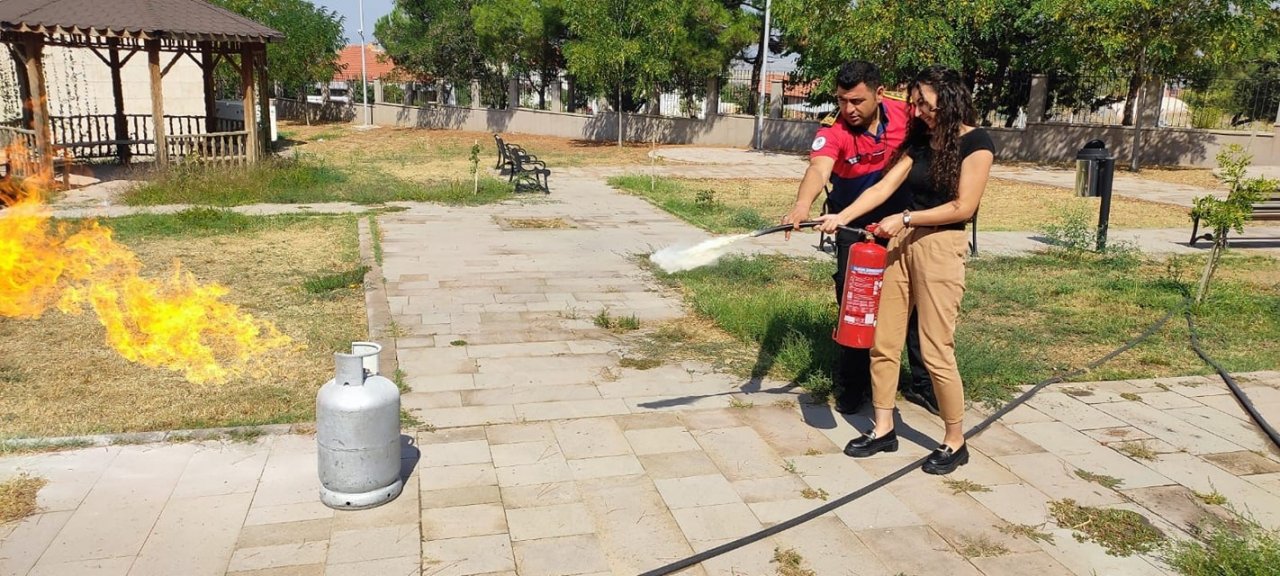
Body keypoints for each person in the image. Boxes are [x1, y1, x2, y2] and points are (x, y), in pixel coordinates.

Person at [816, 65, 995, 475]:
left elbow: (963, 207)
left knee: (935, 350)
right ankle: (883, 429)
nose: (916, 111)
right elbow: (881, 189)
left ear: (949, 101)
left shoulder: (977, 143)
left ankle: (955, 440)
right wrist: (840, 216)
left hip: (941, 246)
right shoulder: (919, 142)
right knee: (884, 341)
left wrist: (907, 219)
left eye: (924, 104)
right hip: (899, 247)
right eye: (913, 103)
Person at [781, 60, 938, 416]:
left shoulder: (905, 113)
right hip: (852, 227)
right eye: (841, 100)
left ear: (880, 94)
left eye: (857, 101)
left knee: (914, 302)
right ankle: (854, 386)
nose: (848, 109)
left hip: (903, 223)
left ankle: (923, 384)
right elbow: (819, 168)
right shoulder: (833, 130)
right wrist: (801, 206)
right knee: (856, 305)